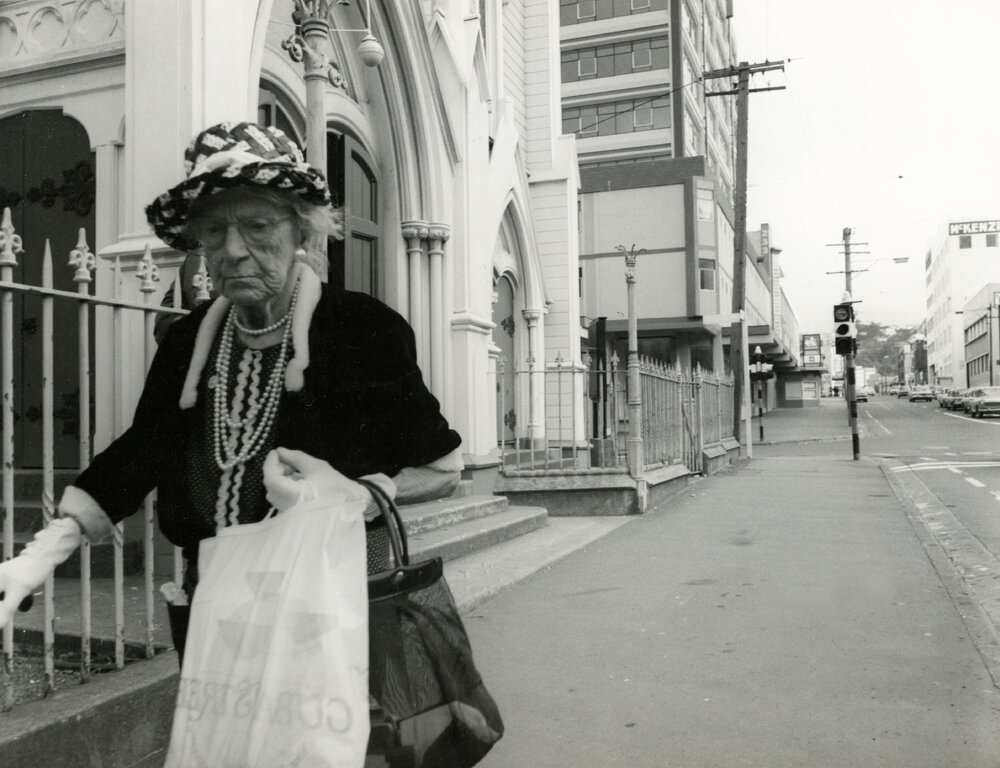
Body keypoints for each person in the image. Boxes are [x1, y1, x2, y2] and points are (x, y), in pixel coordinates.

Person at [0, 121, 463, 643]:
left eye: (258, 226)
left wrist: (356, 496)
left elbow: (441, 471)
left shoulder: (361, 328)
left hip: (337, 591)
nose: (233, 249)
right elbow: (142, 451)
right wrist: (41, 553)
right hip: (216, 595)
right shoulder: (188, 339)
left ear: (302, 231)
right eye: (214, 232)